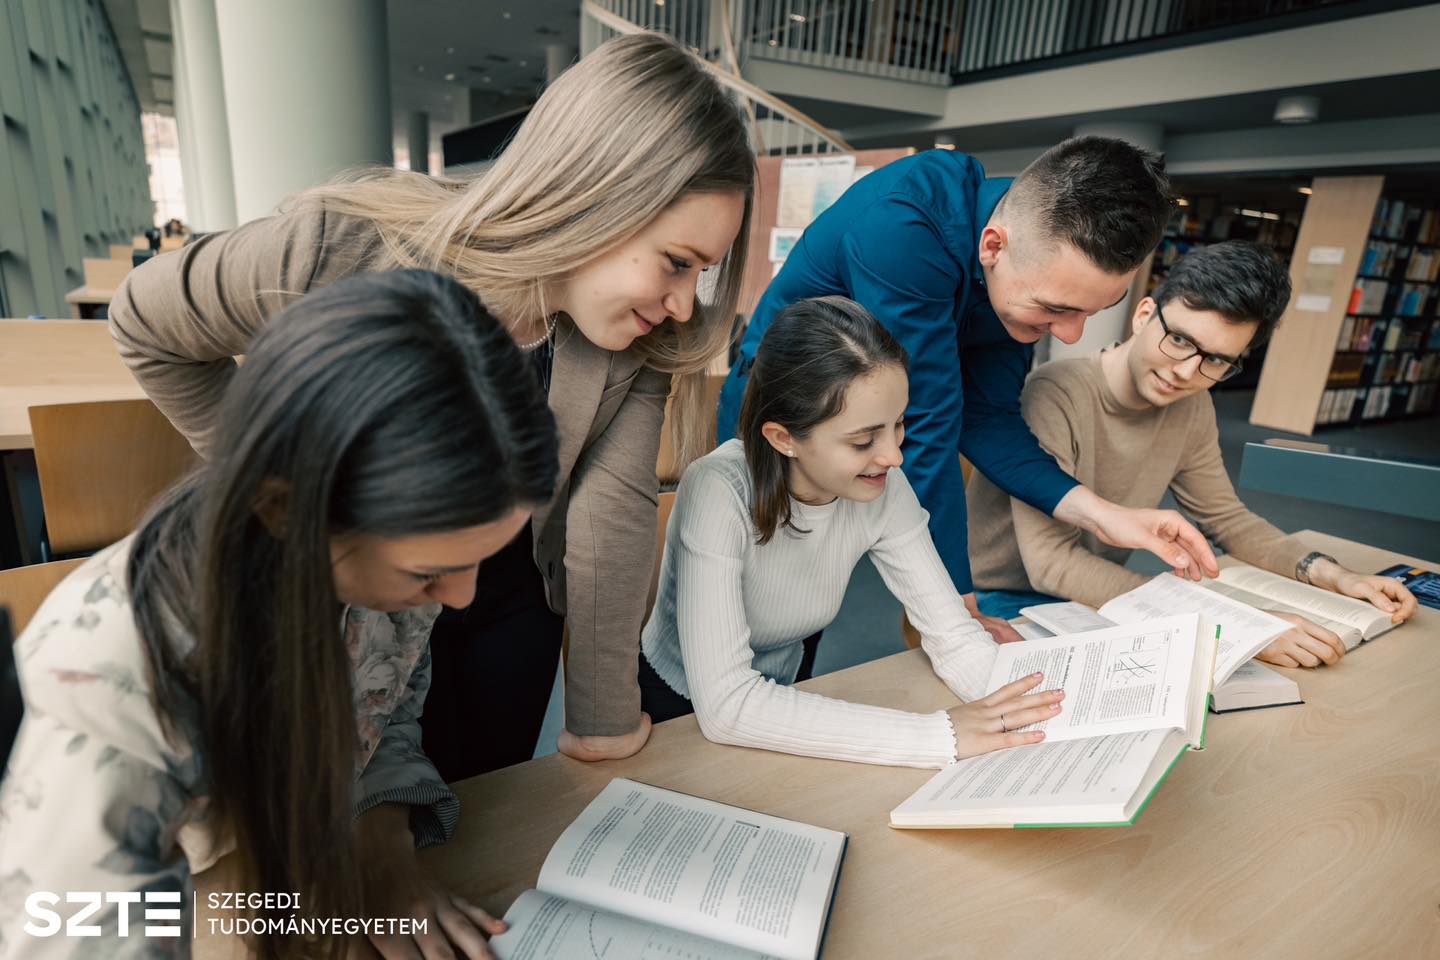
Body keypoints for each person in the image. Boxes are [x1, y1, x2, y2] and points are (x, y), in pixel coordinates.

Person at [107, 33, 755, 776]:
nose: (681, 307)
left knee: (459, 823)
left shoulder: (631, 340)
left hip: (508, 603)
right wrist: (293, 495)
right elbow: (144, 322)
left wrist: (604, 716)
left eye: (700, 275)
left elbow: (610, 513)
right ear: (593, 197)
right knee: (334, 822)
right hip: (347, 594)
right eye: (677, 263)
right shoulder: (341, 249)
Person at [0, 271, 558, 958]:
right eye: (430, 572)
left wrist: (379, 848)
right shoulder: (106, 679)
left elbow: (383, 718)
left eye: (480, 560)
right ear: (284, 510)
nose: (462, 599)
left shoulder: (381, 566)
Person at [717, 136, 1220, 646]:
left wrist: (1102, 514)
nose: (1071, 335)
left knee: (813, 595)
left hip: (870, 427)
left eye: (1091, 312)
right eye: (1057, 308)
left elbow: (988, 417)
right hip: (786, 416)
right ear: (993, 246)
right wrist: (957, 603)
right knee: (763, 604)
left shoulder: (1019, 261)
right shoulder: (905, 226)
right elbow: (928, 425)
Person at [640, 297, 1063, 767]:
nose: (893, 456)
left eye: (899, 425)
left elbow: (952, 635)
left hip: (786, 688)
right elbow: (727, 706)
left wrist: (1042, 712)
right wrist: (939, 735)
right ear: (783, 439)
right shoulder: (717, 489)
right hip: (676, 711)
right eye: (864, 440)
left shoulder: (885, 483)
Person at [967, 241, 1418, 666]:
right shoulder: (1055, 393)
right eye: (1179, 340)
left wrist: (1337, 577)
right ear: (1144, 315)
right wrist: (1228, 624)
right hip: (1007, 598)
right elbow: (1051, 564)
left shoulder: (1191, 403)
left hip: (1096, 596)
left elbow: (1227, 519)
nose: (1185, 373)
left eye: (1217, 360)